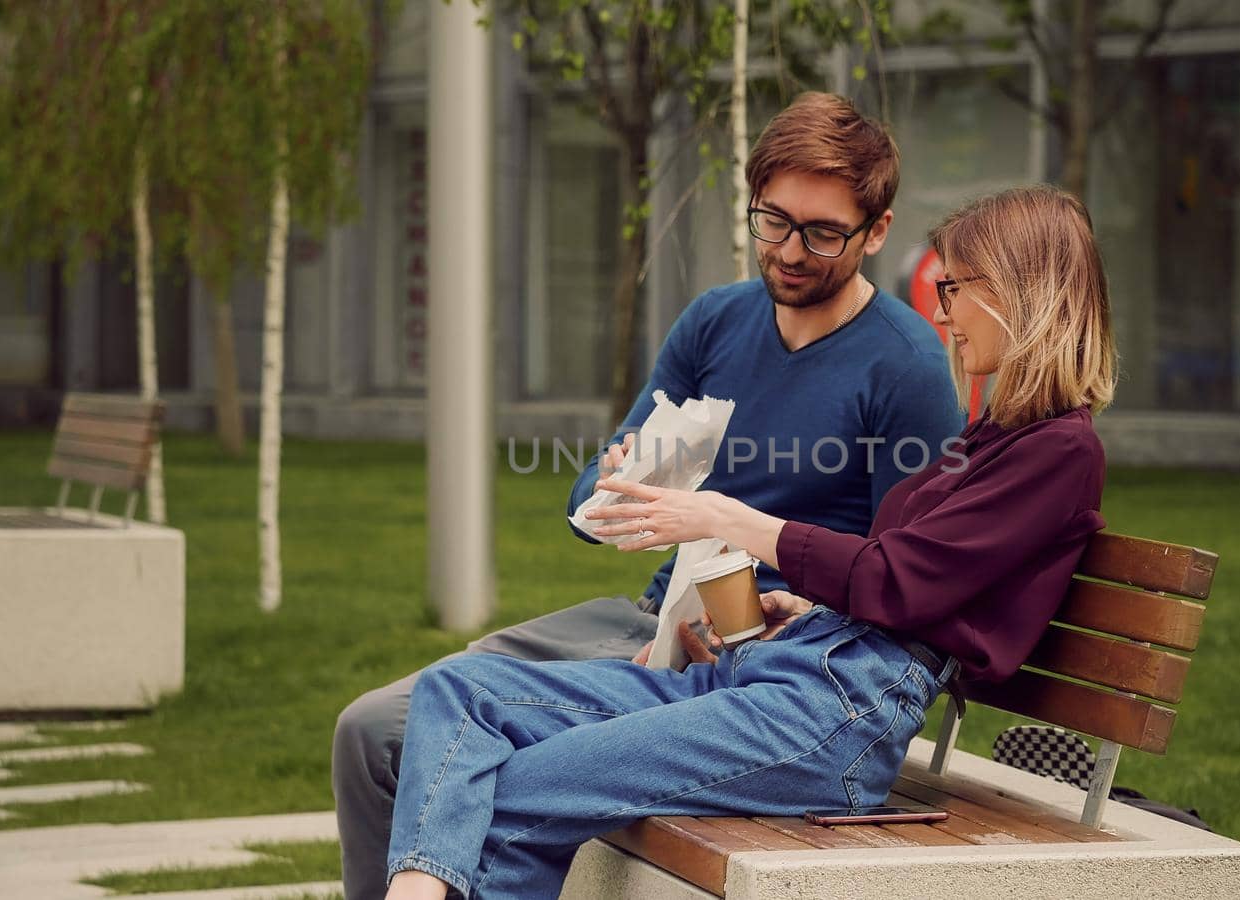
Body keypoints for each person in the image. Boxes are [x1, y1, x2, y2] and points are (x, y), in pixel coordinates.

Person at [381, 185, 1118, 900]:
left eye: (955, 287)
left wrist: (722, 517)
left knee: (525, 791)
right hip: (786, 669)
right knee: (458, 691)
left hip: (835, 715)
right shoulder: (1000, 437)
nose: (943, 309)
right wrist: (802, 604)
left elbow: (901, 578)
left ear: (1022, 291)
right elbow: (922, 582)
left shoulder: (1059, 454)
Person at [332, 91, 963, 900]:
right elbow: (586, 505)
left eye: (823, 232)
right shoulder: (716, 322)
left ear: (877, 231)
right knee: (366, 730)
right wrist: (615, 483)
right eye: (773, 220)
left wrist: (747, 628)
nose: (791, 250)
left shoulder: (905, 367)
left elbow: (894, 584)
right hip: (642, 621)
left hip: (753, 662)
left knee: (421, 740)